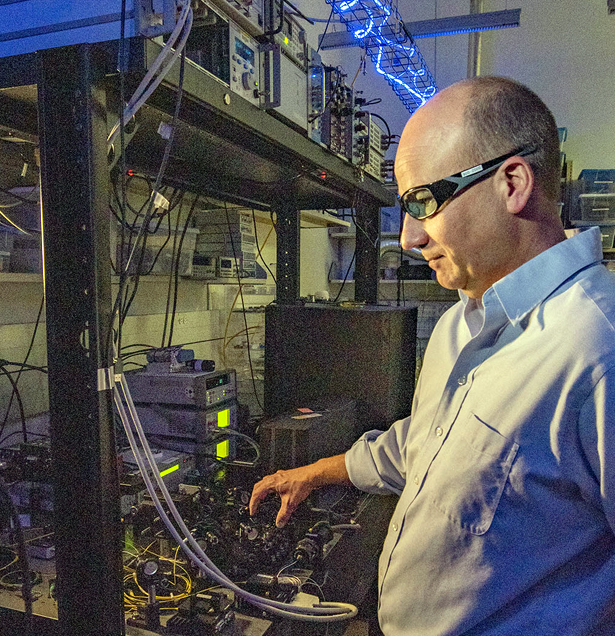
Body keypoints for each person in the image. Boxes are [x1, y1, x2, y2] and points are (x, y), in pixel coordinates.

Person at [249, 76, 615, 635]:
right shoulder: (457, 324)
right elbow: (424, 449)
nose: (408, 238)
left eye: (423, 202)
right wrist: (314, 473)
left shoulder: (596, 348)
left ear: (511, 183)